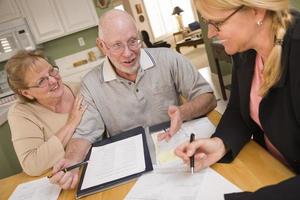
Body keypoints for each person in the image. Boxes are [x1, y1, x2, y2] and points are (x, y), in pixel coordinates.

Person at [49, 9, 216, 189]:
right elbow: (84, 134)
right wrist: (72, 162)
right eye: (117, 45)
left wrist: (183, 112)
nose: (128, 53)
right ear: (102, 46)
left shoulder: (169, 58)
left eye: (132, 41)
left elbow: (207, 97)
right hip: (129, 170)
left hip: (178, 154)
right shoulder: (90, 84)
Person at [175, 0, 300, 199]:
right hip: (269, 171)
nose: (210, 33)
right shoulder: (245, 51)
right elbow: (238, 111)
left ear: (257, 12)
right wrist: (220, 143)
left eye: (217, 23)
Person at [5, 50, 87, 176]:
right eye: (41, 81)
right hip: (57, 178)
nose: (53, 80)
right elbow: (32, 165)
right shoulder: (21, 113)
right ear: (26, 93)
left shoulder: (80, 89)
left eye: (51, 71)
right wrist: (71, 123)